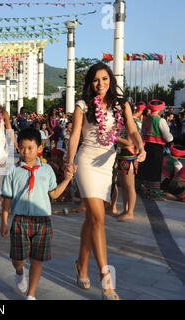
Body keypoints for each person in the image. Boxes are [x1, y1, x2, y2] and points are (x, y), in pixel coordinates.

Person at [65, 62, 146, 300]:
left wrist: (140, 145)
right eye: (95, 80)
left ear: (111, 80)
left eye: (104, 79)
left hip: (107, 162)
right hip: (87, 162)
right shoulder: (83, 105)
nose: (100, 84)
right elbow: (75, 136)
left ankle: (81, 263)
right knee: (99, 218)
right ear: (90, 83)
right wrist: (70, 161)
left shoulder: (122, 105)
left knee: (92, 218)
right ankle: (105, 279)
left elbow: (131, 129)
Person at [0, 128, 73, 300]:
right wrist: (4, 220)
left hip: (42, 221)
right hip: (20, 220)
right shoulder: (13, 170)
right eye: (22, 148)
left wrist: (68, 179)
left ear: (39, 148)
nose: (26, 152)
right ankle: (19, 272)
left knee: (37, 259)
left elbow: (54, 194)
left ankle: (31, 294)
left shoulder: (47, 170)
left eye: (30, 148)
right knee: (18, 259)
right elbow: (7, 198)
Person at [139, 100, 174, 200]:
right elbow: (168, 137)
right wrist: (171, 138)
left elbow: (142, 133)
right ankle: (154, 194)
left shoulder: (146, 119)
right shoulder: (161, 120)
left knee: (148, 168)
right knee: (155, 170)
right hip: (156, 148)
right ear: (160, 109)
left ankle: (147, 192)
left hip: (146, 147)